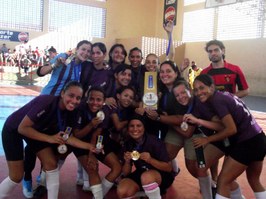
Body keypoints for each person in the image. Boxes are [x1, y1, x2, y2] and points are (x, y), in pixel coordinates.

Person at [0, 81, 97, 199]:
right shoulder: (46, 102)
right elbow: (22, 128)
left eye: (78, 98)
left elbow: (68, 137)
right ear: (62, 93)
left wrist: (90, 147)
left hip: (37, 131)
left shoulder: (73, 112)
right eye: (71, 96)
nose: (74, 101)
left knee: (51, 164)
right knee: (16, 176)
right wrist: (49, 138)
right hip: (14, 129)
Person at [191, 74, 266, 199]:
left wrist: (207, 139)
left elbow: (231, 129)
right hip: (258, 138)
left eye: (202, 88)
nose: (199, 92)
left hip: (247, 142)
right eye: (196, 89)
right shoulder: (223, 95)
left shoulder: (217, 100)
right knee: (254, 180)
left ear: (212, 87)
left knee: (223, 181)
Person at [201, 39, 250, 190]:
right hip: (213, 119)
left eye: (216, 50)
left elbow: (245, 90)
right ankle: (214, 179)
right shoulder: (205, 73)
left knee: (232, 148)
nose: (213, 53)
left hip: (233, 119)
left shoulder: (235, 69)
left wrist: (229, 100)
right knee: (213, 148)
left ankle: (226, 179)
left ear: (222, 50)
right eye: (210, 51)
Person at [73, 86, 122, 198]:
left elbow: (97, 133)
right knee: (92, 169)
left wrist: (92, 154)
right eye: (91, 99)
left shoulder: (104, 111)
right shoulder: (80, 109)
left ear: (104, 101)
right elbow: (77, 135)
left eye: (99, 100)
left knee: (117, 168)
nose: (94, 103)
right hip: (80, 143)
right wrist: (91, 125)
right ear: (87, 98)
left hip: (97, 141)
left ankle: (97, 197)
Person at [116, 114, 175, 199]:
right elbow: (126, 173)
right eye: (132, 126)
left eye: (138, 126)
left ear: (144, 128)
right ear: (128, 129)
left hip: (162, 174)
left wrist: (150, 160)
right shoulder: (128, 144)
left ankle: (155, 194)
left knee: (147, 177)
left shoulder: (155, 142)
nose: (135, 129)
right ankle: (147, 193)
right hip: (142, 172)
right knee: (122, 190)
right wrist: (127, 162)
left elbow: (169, 168)